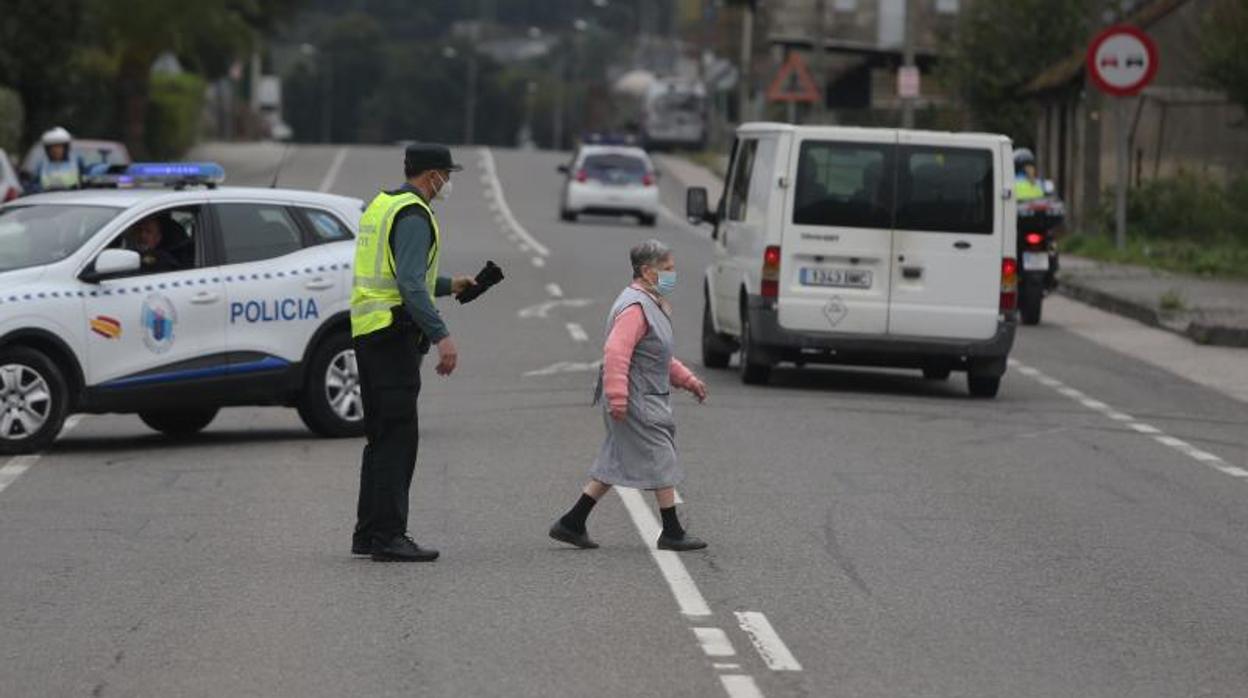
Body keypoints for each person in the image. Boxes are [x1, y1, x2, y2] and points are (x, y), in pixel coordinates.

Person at [350, 143, 477, 563]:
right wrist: (442, 335)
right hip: (392, 337)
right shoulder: (414, 214)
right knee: (398, 440)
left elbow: (397, 273)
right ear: (432, 175)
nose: (448, 183)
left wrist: (448, 285)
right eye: (447, 174)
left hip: (370, 333)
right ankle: (389, 536)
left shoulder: (382, 204)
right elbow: (407, 282)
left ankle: (368, 533)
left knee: (380, 437)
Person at [549, 239, 709, 552]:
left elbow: (656, 355)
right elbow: (616, 351)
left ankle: (572, 522)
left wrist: (687, 380)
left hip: (643, 392)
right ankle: (672, 530)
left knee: (615, 459)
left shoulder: (651, 302)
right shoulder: (636, 307)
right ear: (647, 271)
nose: (672, 275)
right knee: (661, 453)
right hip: (636, 397)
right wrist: (618, 397)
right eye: (667, 269)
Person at [31, 127, 81, 193]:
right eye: (52, 147)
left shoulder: (76, 162)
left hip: (71, 199)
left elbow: (84, 180)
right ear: (47, 149)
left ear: (65, 148)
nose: (55, 150)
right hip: (47, 199)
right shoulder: (42, 166)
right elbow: (33, 185)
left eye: (59, 146)